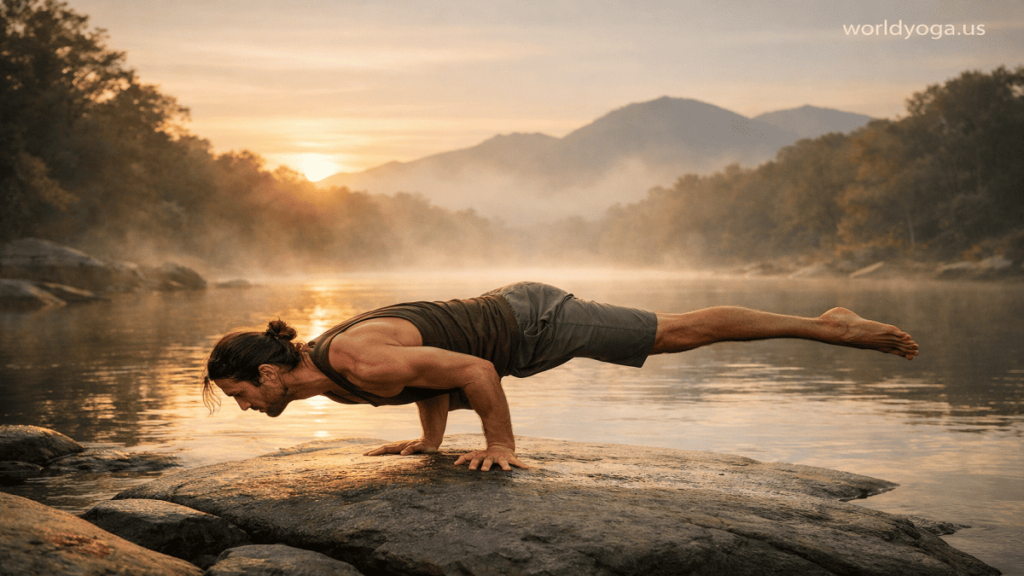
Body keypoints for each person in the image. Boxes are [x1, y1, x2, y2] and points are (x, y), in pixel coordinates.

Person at [202, 282, 919, 472]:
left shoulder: (353, 361)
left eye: (239, 394)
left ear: (267, 372)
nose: (243, 406)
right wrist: (429, 445)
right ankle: (824, 323)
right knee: (674, 335)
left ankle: (828, 325)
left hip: (529, 322)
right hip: (512, 326)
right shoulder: (334, 373)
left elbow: (475, 368)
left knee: (675, 334)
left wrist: (502, 445)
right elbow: (431, 379)